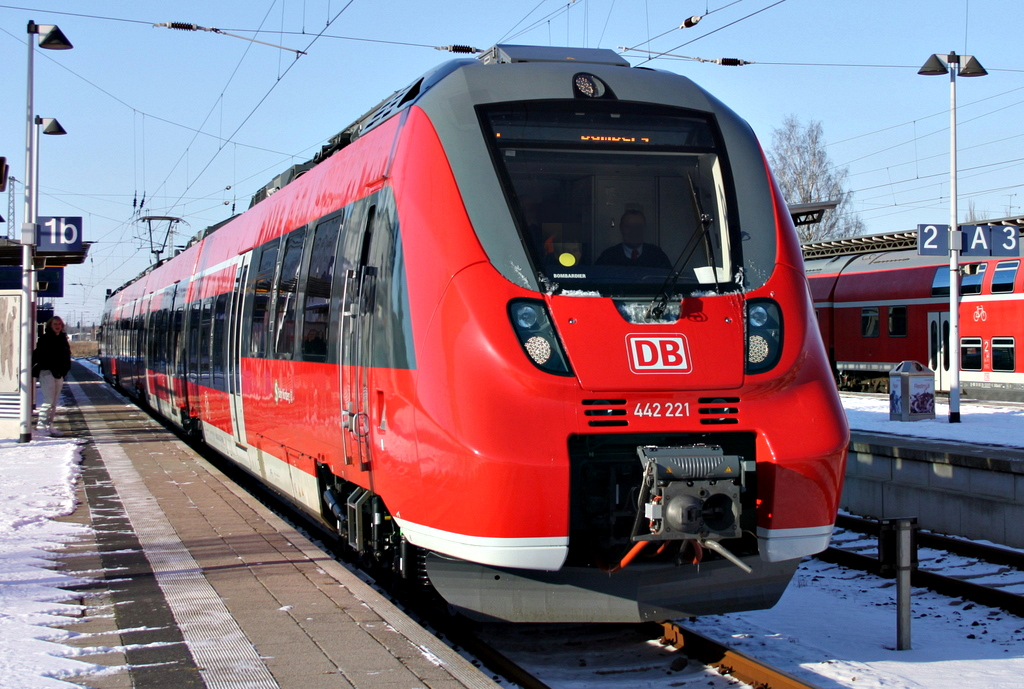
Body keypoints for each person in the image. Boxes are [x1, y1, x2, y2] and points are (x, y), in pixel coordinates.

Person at [33, 316, 71, 437]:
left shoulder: (63, 339)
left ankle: (50, 425)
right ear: (50, 325)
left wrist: (64, 371)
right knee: (48, 401)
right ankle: (41, 425)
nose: (57, 326)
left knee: (54, 403)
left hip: (59, 374)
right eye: (55, 324)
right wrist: (52, 368)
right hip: (47, 372)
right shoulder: (45, 339)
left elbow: (66, 356)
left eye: (59, 324)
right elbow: (41, 356)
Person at [596, 209, 672, 269]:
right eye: (628, 227)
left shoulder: (657, 255)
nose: (633, 231)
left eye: (638, 227)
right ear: (621, 228)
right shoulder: (607, 257)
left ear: (644, 229)